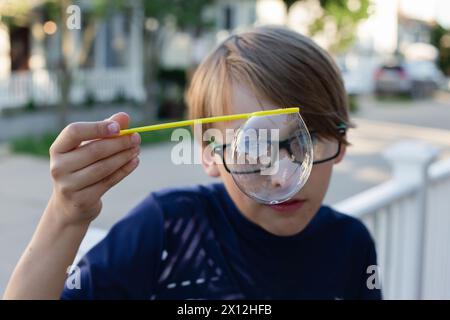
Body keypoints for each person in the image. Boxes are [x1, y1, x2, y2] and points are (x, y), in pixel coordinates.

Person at [3, 26, 381, 300]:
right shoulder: (168, 229)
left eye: (308, 140)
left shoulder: (351, 246)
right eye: (254, 146)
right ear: (208, 151)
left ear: (342, 140)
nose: (283, 177)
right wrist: (65, 215)